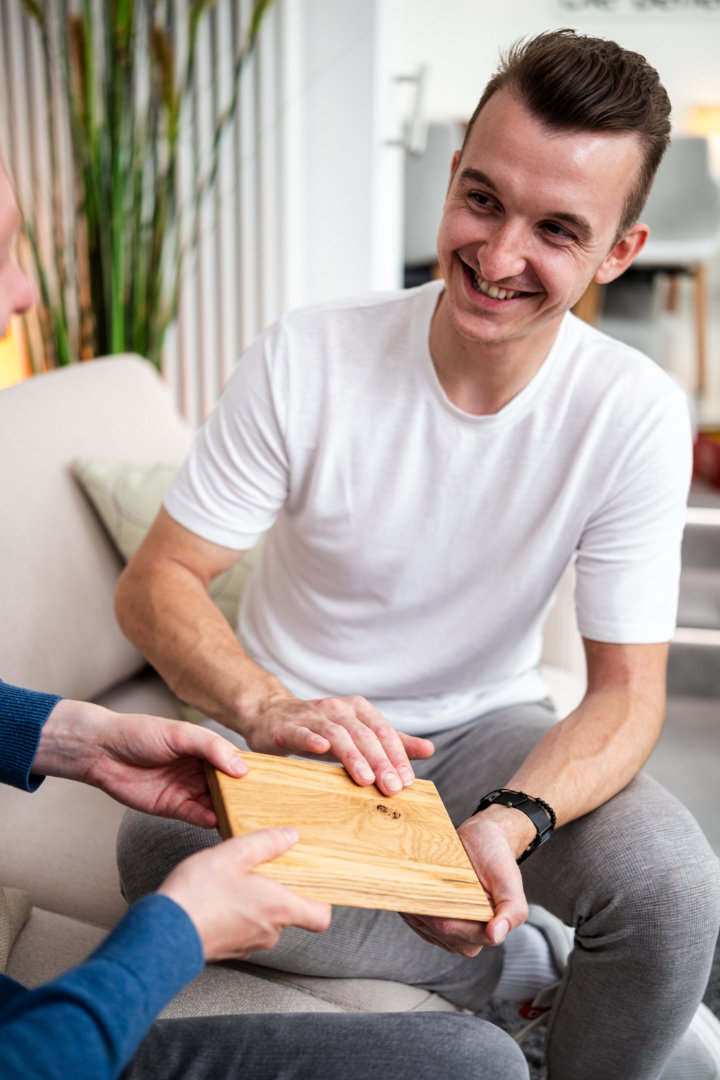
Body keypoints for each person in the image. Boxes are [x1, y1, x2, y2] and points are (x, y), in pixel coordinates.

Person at [113, 28, 720, 1080]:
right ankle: (502, 976)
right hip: (300, 740)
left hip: (484, 735)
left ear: (619, 252)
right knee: (156, 853)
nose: (496, 257)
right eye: (482, 200)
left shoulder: (632, 412)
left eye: (556, 230)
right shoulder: (311, 354)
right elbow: (155, 581)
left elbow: (627, 695)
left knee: (675, 894)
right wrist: (265, 708)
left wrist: (513, 821)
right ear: (451, 176)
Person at [0, 157, 531, 1080]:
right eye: (0, 253)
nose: (22, 293)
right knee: (472, 1067)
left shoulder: (622, 407)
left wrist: (64, 737)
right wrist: (177, 932)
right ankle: (524, 965)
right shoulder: (309, 354)